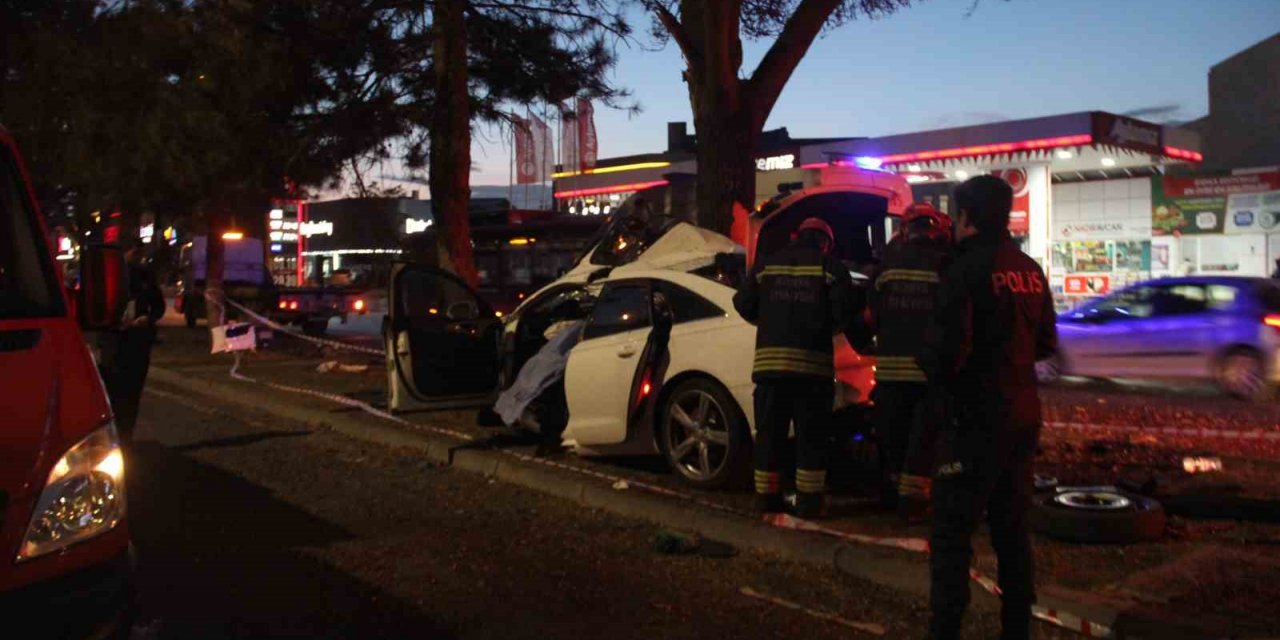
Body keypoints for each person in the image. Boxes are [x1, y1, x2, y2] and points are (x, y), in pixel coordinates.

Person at [918, 176, 1057, 640]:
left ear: (966, 217)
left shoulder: (962, 272)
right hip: (1022, 416)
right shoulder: (1030, 269)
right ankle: (1017, 630)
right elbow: (1045, 344)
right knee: (1012, 534)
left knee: (952, 540)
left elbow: (945, 356)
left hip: (972, 422)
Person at [733, 217, 857, 518]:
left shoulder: (766, 265)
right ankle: (809, 503)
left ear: (796, 235)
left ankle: (766, 499)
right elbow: (845, 314)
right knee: (811, 438)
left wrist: (771, 318)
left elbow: (743, 304)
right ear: (826, 242)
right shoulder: (831, 268)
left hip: (770, 370)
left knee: (769, 435)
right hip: (812, 372)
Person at [867, 203, 952, 521]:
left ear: (904, 230)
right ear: (936, 230)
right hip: (929, 372)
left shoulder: (886, 266)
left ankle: (889, 498)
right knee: (925, 441)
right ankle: (914, 505)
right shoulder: (946, 265)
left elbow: (871, 317)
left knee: (894, 439)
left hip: (890, 372)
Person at [98, 238, 166, 442]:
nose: (138, 257)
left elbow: (158, 306)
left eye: (139, 253)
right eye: (134, 252)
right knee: (114, 391)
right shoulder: (110, 276)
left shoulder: (146, 276)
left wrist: (149, 318)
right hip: (115, 342)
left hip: (139, 341)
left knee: (133, 392)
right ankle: (112, 435)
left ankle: (126, 436)